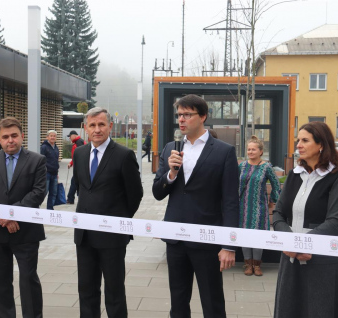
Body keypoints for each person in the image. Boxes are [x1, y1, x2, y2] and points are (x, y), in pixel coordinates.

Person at [152, 94, 239, 318]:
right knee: (178, 301)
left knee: (212, 303)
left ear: (203, 116)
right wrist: (171, 173)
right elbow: (157, 193)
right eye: (179, 115)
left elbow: (230, 201)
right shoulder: (171, 148)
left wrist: (228, 245)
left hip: (207, 239)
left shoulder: (223, 151)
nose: (181, 120)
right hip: (175, 239)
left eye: (187, 115)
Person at [273, 121, 338, 318]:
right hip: (290, 257)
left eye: (305, 140)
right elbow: (278, 214)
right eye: (298, 140)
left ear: (321, 145)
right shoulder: (294, 175)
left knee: (320, 310)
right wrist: (290, 242)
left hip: (322, 261)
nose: (298, 145)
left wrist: (303, 245)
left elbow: (335, 222)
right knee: (290, 310)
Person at [73, 107, 143, 318]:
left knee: (114, 292)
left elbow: (135, 195)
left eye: (101, 124)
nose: (97, 129)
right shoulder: (80, 153)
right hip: (84, 235)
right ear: (85, 128)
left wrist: (118, 222)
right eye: (92, 125)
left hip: (112, 237)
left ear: (110, 126)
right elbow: (81, 189)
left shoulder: (124, 155)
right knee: (86, 290)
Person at [0, 117, 47, 318]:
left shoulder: (37, 160)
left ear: (22, 136)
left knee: (28, 279)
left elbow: (38, 192)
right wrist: (2, 218)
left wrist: (12, 215)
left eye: (14, 136)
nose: (10, 140)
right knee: (0, 282)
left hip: (25, 231)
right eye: (5, 137)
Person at [239, 136, 280, 276]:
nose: (250, 152)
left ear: (261, 151)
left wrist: (273, 200)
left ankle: (257, 265)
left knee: (257, 236)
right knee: (244, 235)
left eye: (253, 149)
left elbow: (276, 184)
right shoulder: (241, 166)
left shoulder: (266, 166)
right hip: (242, 206)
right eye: (249, 149)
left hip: (259, 207)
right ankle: (247, 264)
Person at [40, 130, 59, 210]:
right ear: (47, 137)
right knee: (44, 192)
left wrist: (57, 173)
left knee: (53, 193)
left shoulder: (56, 147)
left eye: (54, 136)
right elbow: (41, 160)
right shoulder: (44, 147)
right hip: (46, 173)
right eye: (51, 136)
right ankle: (36, 206)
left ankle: (50, 209)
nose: (52, 137)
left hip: (54, 174)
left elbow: (56, 160)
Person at [67, 130, 84, 204]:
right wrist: (71, 163)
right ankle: (71, 199)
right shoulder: (79, 142)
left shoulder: (79, 143)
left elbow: (80, 156)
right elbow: (75, 157)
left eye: (70, 136)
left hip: (79, 168)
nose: (69, 138)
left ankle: (72, 199)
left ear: (73, 135)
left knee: (75, 182)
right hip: (79, 168)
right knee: (74, 182)